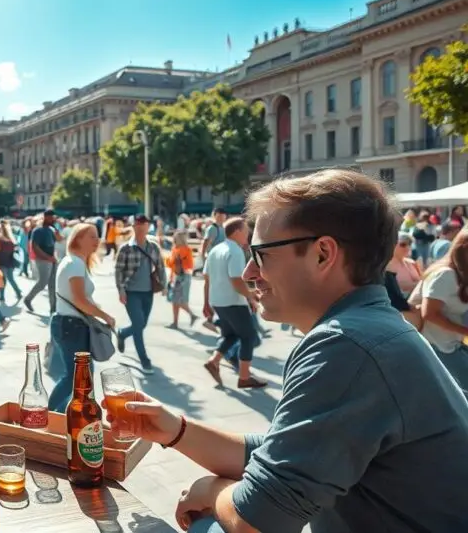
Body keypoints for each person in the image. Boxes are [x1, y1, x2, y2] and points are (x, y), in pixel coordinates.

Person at [130, 169, 468, 533]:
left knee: (208, 525)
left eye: (260, 255)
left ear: (323, 254)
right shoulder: (371, 326)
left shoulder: (345, 344)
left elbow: (255, 522)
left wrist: (213, 492)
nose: (248, 273)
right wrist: (174, 430)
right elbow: (283, 453)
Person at [48, 223, 117, 412]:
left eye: (97, 236)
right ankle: (51, 416)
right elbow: (79, 300)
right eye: (92, 237)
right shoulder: (75, 264)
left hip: (70, 325)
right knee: (76, 377)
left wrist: (98, 310)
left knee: (78, 376)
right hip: (72, 326)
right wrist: (105, 316)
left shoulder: (74, 262)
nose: (97, 241)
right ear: (78, 239)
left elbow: (82, 299)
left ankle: (63, 417)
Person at [200, 217, 267, 389]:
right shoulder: (235, 251)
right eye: (245, 232)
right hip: (233, 301)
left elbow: (207, 279)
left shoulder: (215, 250)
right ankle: (244, 377)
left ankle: (213, 361)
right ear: (237, 232)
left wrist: (206, 303)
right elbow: (237, 280)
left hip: (218, 301)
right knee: (248, 336)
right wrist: (251, 297)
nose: (248, 235)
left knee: (231, 335)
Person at [415, 228, 468, 389]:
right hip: (435, 346)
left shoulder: (459, 274)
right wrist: (465, 330)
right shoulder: (445, 274)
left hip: (449, 345)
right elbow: (429, 314)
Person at [114, 215, 166, 375]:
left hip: (148, 292)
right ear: (134, 227)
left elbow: (160, 266)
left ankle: (122, 333)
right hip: (131, 292)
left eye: (145, 224)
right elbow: (119, 271)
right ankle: (145, 360)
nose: (142, 227)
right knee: (138, 325)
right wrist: (121, 290)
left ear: (148, 226)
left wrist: (164, 284)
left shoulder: (153, 247)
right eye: (139, 224)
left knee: (141, 324)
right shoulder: (126, 248)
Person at [23, 210, 58, 315]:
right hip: (42, 260)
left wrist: (53, 257)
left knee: (53, 285)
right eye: (51, 217)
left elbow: (54, 244)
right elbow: (35, 247)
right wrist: (47, 257)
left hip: (51, 259)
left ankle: (53, 308)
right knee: (42, 283)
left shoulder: (51, 230)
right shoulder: (37, 231)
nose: (53, 219)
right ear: (46, 217)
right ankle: (28, 299)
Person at [166, 230, 198, 328]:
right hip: (181, 276)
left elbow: (171, 262)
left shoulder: (179, 249)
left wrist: (167, 259)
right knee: (175, 300)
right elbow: (189, 265)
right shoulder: (184, 249)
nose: (173, 239)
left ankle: (191, 315)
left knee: (178, 300)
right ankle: (175, 322)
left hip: (180, 277)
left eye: (175, 237)